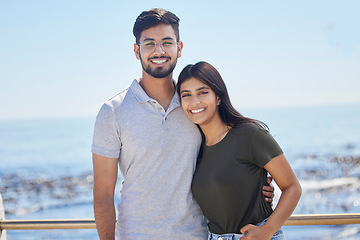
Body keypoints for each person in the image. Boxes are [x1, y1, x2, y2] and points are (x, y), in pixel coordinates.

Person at [91, 9, 275, 240]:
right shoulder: (113, 112)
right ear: (137, 51)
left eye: (167, 42)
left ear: (179, 48)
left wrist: (256, 186)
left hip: (197, 236)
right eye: (149, 44)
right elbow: (103, 195)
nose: (159, 51)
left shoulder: (194, 106)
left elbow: (227, 149)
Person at [177, 61, 302, 240]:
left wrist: (267, 231)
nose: (195, 101)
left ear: (218, 97)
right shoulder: (194, 146)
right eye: (186, 95)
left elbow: (292, 187)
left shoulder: (249, 134)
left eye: (203, 92)